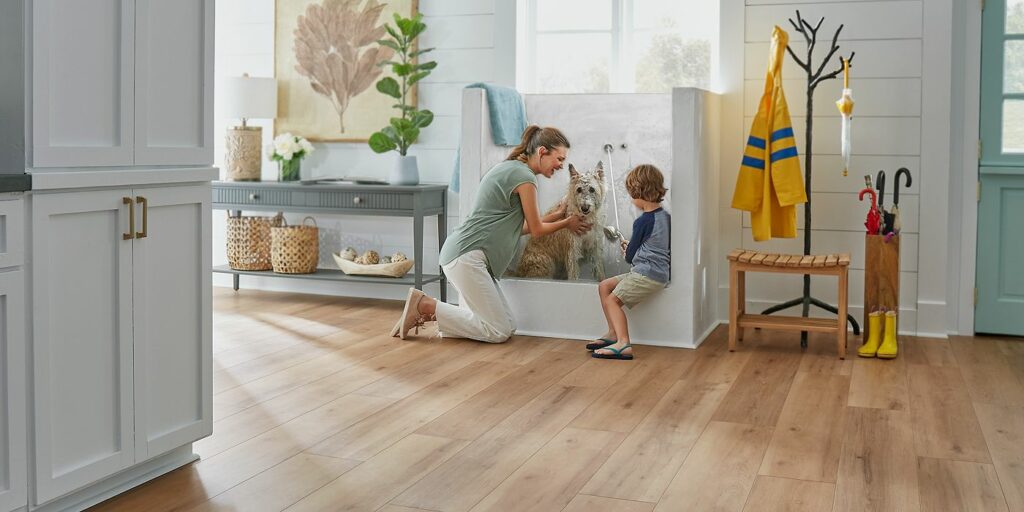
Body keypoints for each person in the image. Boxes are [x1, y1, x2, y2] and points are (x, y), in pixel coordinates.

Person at [392, 125, 591, 342]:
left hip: (464, 256)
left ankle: (428, 312)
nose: (561, 165)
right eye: (559, 158)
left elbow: (520, 228)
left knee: (508, 325)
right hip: (467, 257)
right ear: (542, 152)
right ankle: (424, 306)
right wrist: (567, 223)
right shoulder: (525, 178)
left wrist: (560, 215)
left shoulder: (513, 169)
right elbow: (536, 230)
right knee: (499, 331)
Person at [588, 164, 671, 360]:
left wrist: (627, 250)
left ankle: (623, 344)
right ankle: (612, 333)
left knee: (611, 300)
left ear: (638, 193)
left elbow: (629, 257)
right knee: (604, 286)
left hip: (646, 274)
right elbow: (657, 246)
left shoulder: (643, 221)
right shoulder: (665, 217)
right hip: (655, 271)